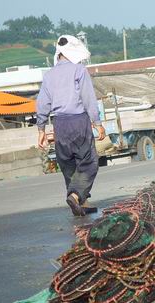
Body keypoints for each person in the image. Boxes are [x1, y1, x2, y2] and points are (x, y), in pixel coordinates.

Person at [36, 35, 106, 216]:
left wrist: (41, 129)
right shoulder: (79, 70)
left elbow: (42, 104)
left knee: (68, 165)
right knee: (89, 162)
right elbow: (88, 98)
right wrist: (97, 123)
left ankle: (82, 202)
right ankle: (75, 196)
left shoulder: (49, 75)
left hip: (60, 124)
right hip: (78, 122)